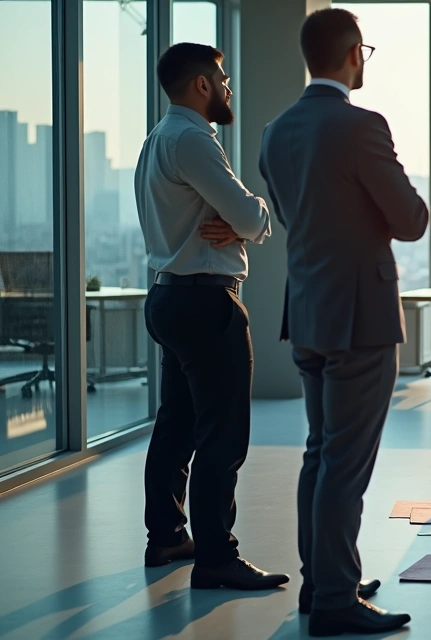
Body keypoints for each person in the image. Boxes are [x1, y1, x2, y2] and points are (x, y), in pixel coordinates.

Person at [259, 8, 428, 635]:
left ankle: (321, 583)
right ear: (355, 53)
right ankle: (334, 599)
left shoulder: (275, 131)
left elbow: (293, 214)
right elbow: (410, 219)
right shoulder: (361, 127)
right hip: (359, 316)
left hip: (305, 312)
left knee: (320, 453)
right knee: (345, 464)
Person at [135, 42, 287, 591]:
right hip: (205, 301)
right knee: (223, 435)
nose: (228, 87)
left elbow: (228, 218)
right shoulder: (195, 139)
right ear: (201, 85)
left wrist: (236, 218)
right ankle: (217, 557)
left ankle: (169, 536)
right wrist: (252, 216)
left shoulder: (157, 139)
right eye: (221, 78)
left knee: (176, 428)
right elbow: (249, 215)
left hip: (169, 297)